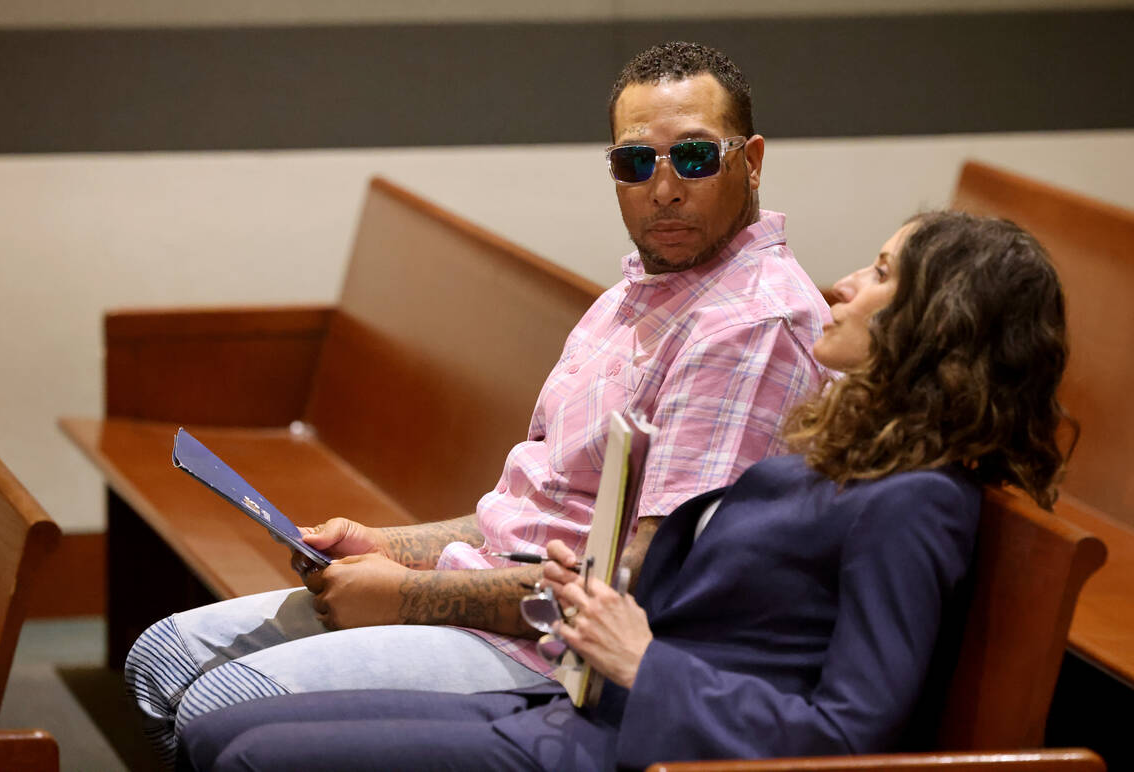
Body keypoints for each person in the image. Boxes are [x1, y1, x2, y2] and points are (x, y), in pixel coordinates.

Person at [125, 41, 831, 763]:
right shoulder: (633, 297)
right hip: (495, 597)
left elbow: (640, 586)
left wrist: (406, 595)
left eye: (693, 158)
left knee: (217, 707)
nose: (664, 188)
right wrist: (393, 547)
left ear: (751, 160)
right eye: (633, 163)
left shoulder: (749, 326)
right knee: (160, 658)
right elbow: (527, 511)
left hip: (555, 660)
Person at [177, 210, 1073, 772]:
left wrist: (645, 660)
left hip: (642, 743)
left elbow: (849, 738)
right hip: (587, 707)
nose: (844, 283)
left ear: (938, 326)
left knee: (253, 752)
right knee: (229, 736)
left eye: (881, 273)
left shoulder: (917, 503)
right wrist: (586, 589)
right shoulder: (846, 452)